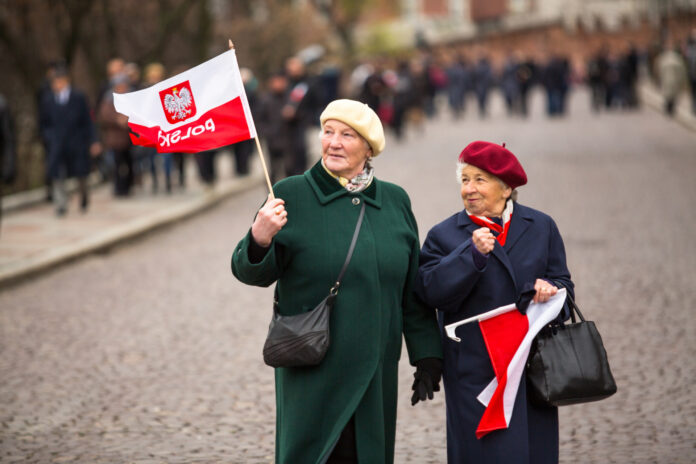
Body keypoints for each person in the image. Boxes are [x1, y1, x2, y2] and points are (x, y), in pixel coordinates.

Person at [231, 99, 443, 463]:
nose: (334, 142)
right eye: (328, 132)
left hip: (375, 368)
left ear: (369, 147)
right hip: (313, 365)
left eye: (347, 135)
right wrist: (259, 237)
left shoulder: (395, 201)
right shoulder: (291, 193)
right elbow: (250, 272)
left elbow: (411, 288)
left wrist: (427, 355)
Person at [415, 141, 574, 464]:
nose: (469, 189)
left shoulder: (541, 226)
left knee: (533, 452)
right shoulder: (444, 234)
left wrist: (552, 289)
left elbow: (566, 289)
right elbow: (430, 292)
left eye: (479, 180)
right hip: (474, 371)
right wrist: (469, 256)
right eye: (464, 180)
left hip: (531, 367)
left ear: (506, 189)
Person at [39, 66, 100, 216]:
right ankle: (61, 204)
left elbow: (88, 120)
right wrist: (49, 137)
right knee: (57, 173)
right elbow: (43, 123)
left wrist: (93, 140)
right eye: (55, 82)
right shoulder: (47, 100)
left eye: (60, 81)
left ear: (67, 81)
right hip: (57, 143)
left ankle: (84, 196)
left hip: (77, 142)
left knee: (81, 173)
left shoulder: (78, 97)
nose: (57, 85)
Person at [655, 39, 688, 117]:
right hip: (672, 80)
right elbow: (682, 70)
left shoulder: (663, 58)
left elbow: (657, 69)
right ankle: (670, 108)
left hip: (667, 80)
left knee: (668, 95)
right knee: (672, 95)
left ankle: (669, 108)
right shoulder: (676, 58)